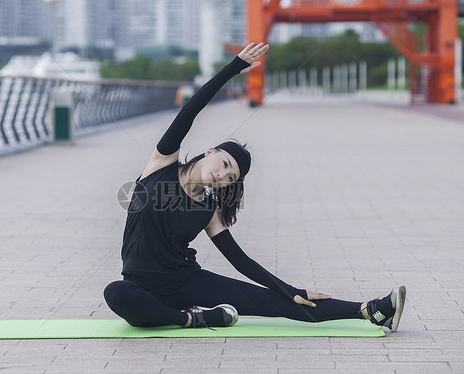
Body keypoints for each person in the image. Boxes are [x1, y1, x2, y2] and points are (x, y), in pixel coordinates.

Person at [104, 42, 406, 332]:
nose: (221, 176)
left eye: (229, 178)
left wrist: (290, 289)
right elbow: (191, 110)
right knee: (116, 294)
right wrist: (234, 67)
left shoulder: (209, 210)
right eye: (223, 165)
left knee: (278, 302)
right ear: (211, 152)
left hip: (185, 281)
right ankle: (190, 319)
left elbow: (241, 261)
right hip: (138, 285)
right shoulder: (162, 164)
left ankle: (371, 310)